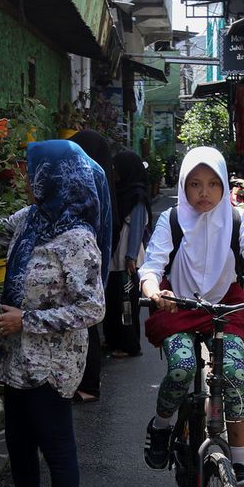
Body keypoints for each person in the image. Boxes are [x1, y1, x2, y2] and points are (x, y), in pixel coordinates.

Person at [0, 140, 106, 487]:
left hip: (52, 365)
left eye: (33, 170)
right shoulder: (32, 219)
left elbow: (92, 308)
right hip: (16, 357)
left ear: (54, 176)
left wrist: (27, 321)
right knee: (18, 443)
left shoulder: (77, 238)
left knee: (57, 451)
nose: (26, 178)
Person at [139, 146, 244, 487]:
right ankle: (160, 426)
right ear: (183, 186)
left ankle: (239, 462)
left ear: (223, 186)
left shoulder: (238, 219)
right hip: (180, 306)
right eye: (194, 184)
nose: (203, 193)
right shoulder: (172, 219)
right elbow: (152, 264)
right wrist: (153, 290)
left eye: (212, 184)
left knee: (234, 376)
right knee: (181, 367)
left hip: (224, 307)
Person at [70, 129, 116, 403]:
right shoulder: (103, 181)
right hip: (99, 257)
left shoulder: (90, 184)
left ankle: (88, 384)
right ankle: (87, 382)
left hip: (89, 258)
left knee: (87, 320)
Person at [105, 149, 152, 357]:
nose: (114, 172)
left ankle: (130, 345)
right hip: (117, 256)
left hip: (128, 259)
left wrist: (131, 255)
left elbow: (138, 227)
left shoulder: (136, 195)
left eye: (117, 167)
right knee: (114, 299)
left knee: (127, 302)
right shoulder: (121, 191)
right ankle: (115, 341)